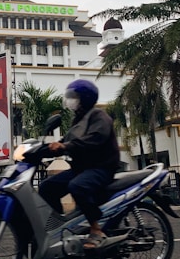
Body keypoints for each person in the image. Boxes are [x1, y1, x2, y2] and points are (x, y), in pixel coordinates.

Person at [38, 79, 120, 249]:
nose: (69, 100)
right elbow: (66, 142)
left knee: (78, 186)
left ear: (85, 98)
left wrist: (65, 146)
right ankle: (60, 228)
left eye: (73, 96)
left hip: (101, 167)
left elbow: (95, 139)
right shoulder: (78, 121)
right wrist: (38, 151)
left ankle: (96, 229)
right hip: (81, 169)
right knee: (47, 187)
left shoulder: (99, 116)